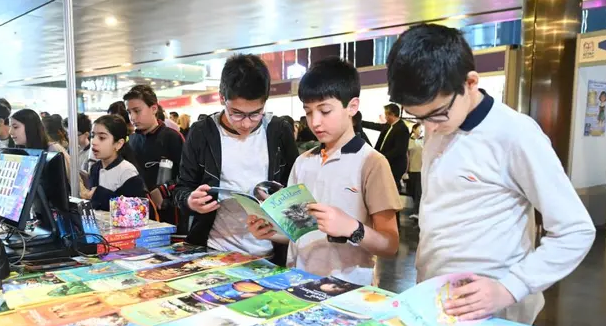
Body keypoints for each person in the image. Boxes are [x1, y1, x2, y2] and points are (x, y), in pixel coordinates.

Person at [386, 23, 596, 324]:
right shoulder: (440, 127)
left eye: (437, 114)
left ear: (470, 82)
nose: (429, 127)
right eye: (417, 117)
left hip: (494, 308)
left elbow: (576, 230)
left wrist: (509, 288)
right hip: (437, 298)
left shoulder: (515, 134)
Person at [247, 57, 401, 286]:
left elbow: (390, 245)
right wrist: (269, 232)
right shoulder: (302, 162)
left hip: (346, 291)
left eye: (325, 111)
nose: (315, 122)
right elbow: (297, 231)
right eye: (308, 112)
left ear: (352, 106)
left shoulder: (372, 162)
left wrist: (352, 228)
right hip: (297, 281)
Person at [175, 54, 299, 265]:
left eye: (255, 114)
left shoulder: (278, 132)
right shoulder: (202, 133)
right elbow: (181, 189)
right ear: (222, 98)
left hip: (270, 252)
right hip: (216, 250)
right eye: (237, 113)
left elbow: (294, 190)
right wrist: (190, 201)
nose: (246, 123)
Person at [124, 85, 183, 224]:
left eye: (137, 111)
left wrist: (163, 191)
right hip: (138, 215)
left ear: (154, 109)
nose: (132, 117)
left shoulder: (172, 138)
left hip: (170, 214)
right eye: (129, 112)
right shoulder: (131, 140)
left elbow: (189, 176)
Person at [80, 115, 147, 211]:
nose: (93, 142)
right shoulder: (95, 168)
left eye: (102, 138)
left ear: (118, 144)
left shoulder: (127, 172)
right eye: (92, 136)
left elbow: (136, 209)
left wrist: (99, 194)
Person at [373, 104, 410, 192]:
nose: (385, 117)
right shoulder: (389, 126)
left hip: (394, 165)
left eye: (386, 114)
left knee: (390, 190)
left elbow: (399, 150)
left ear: (392, 114)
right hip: (386, 163)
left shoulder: (402, 128)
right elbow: (375, 126)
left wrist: (382, 157)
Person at [407, 123, 423, 221]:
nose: (421, 130)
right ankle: (416, 210)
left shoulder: (424, 140)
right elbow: (407, 156)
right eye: (419, 128)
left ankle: (417, 212)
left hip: (420, 169)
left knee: (418, 192)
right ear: (414, 129)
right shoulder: (409, 141)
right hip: (411, 169)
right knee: (411, 190)